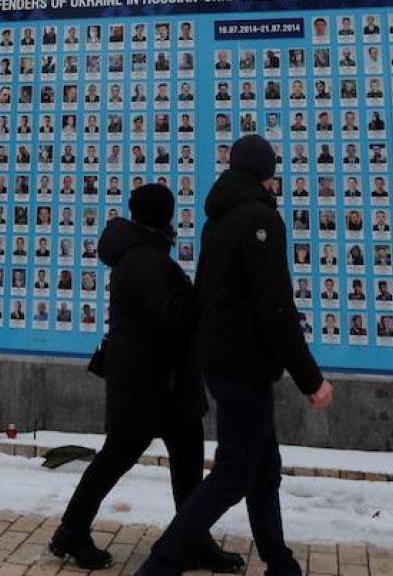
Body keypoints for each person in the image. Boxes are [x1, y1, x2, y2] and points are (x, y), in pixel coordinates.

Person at [134, 135, 333, 576]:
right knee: (232, 476)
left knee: (262, 470)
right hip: (244, 365)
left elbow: (206, 292)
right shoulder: (261, 221)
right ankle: (161, 563)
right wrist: (311, 380)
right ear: (267, 174)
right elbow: (276, 306)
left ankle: (280, 563)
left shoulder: (218, 219)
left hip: (224, 361)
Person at [50, 184, 243, 573]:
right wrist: (208, 291)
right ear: (164, 216)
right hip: (152, 382)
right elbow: (173, 314)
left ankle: (190, 537)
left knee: (177, 456)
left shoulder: (140, 254)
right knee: (120, 458)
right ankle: (73, 531)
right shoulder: (146, 259)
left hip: (155, 380)